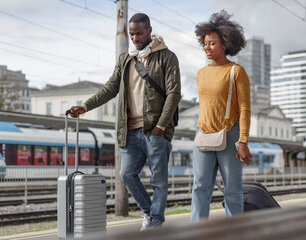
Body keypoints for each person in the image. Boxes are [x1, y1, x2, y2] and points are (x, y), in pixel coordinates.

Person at [69, 13, 181, 230]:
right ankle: (150, 214)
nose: (135, 38)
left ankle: (156, 224)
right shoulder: (125, 59)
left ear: (149, 30)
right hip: (129, 131)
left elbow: (174, 93)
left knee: (158, 181)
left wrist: (161, 126)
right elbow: (110, 88)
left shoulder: (167, 57)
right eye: (131, 34)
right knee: (126, 174)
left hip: (154, 130)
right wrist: (85, 106)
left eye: (139, 33)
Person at [191, 10, 252, 222]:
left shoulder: (236, 71)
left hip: (230, 136)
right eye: (205, 43)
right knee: (200, 187)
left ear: (224, 44)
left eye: (212, 43)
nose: (207, 47)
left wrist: (243, 141)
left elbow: (245, 109)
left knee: (232, 191)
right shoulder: (200, 73)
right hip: (203, 135)